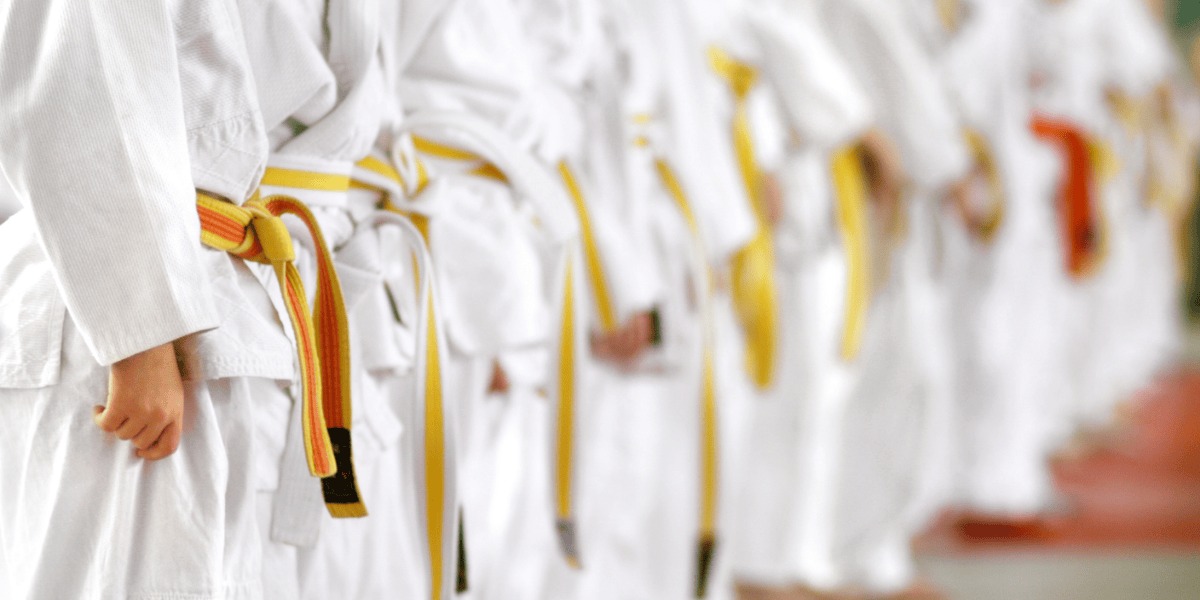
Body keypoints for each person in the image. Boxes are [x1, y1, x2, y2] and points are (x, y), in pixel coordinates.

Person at [0, 1, 296, 597]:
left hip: (203, 295)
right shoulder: (139, 326)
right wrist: (138, 327)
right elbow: (76, 76)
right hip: (127, 320)